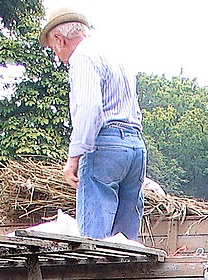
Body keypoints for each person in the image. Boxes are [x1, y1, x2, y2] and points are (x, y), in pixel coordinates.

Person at [40, 8, 146, 241]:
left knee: (94, 241)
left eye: (52, 49)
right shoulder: (114, 54)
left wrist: (74, 157)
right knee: (125, 242)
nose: (57, 56)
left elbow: (90, 108)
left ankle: (95, 277)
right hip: (136, 147)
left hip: (106, 146)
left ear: (60, 39)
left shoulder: (82, 57)